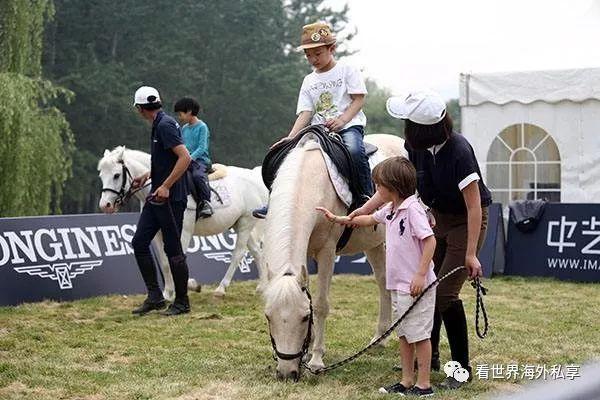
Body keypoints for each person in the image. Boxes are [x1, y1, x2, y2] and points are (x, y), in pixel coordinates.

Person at [350, 90, 492, 389]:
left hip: (466, 223)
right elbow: (391, 188)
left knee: (444, 295)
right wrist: (361, 211)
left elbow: (474, 206)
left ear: (421, 128)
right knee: (427, 289)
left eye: (407, 123)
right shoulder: (414, 149)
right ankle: (431, 356)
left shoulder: (459, 151)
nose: (404, 128)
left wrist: (470, 254)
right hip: (434, 220)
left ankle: (461, 369)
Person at [317, 156, 436, 397]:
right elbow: (369, 219)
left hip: (416, 287)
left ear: (393, 187)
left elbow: (430, 240)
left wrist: (421, 274)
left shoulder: (413, 210)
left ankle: (424, 385)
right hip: (399, 286)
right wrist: (341, 219)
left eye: (379, 186)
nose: (376, 190)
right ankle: (406, 380)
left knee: (419, 336)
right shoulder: (390, 210)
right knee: (403, 333)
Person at [253, 21, 371, 219]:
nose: (313, 59)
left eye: (317, 53)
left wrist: (342, 120)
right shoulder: (309, 80)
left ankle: (365, 196)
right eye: (308, 55)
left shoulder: (347, 69)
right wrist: (290, 138)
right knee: (285, 154)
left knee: (353, 150)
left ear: (331, 48)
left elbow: (358, 98)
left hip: (348, 125)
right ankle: (274, 201)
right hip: (319, 130)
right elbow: (306, 112)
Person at [130, 86, 192, 316]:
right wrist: (147, 175)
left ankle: (182, 302)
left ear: (140, 109)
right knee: (139, 242)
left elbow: (184, 158)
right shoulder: (159, 124)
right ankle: (155, 296)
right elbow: (165, 159)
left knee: (173, 249)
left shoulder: (165, 125)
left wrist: (166, 186)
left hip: (171, 198)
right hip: (156, 195)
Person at [173, 97, 213, 219]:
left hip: (200, 160)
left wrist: (188, 158)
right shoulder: (184, 128)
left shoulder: (202, 127)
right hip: (185, 160)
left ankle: (205, 202)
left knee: (197, 176)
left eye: (180, 114)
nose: (179, 117)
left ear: (189, 111)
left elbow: (202, 148)